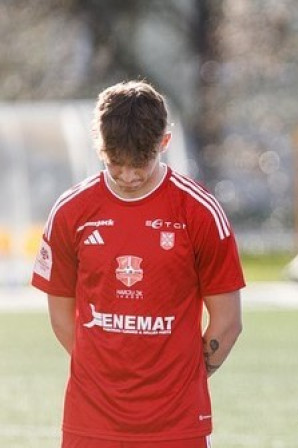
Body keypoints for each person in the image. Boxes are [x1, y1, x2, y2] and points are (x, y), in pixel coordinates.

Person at [31, 80, 245, 448]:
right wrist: (106, 372)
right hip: (90, 421)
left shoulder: (199, 212)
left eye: (140, 164)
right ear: (99, 147)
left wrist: (181, 378)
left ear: (164, 143)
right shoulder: (71, 212)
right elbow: (62, 317)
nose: (128, 176)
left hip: (177, 425)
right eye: (116, 164)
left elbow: (227, 323)